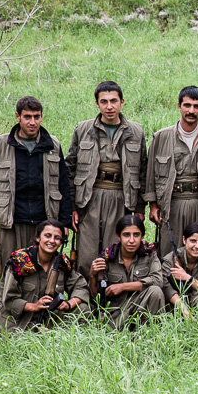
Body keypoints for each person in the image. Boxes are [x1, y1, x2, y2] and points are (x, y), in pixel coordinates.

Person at [0, 96, 73, 272]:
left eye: (36, 117)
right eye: (27, 117)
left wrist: (64, 221)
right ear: (17, 117)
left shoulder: (52, 144)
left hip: (44, 220)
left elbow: (63, 185)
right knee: (10, 270)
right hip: (11, 222)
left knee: (43, 271)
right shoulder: (0, 144)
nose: (32, 122)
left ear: (41, 117)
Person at [65, 81, 148, 278]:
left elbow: (143, 171)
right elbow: (70, 168)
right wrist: (71, 208)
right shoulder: (83, 130)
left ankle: (113, 297)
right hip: (89, 198)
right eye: (104, 102)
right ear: (97, 104)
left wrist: (139, 208)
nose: (109, 106)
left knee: (116, 250)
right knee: (87, 250)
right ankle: (84, 299)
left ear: (122, 102)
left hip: (122, 196)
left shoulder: (136, 131)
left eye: (113, 101)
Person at [145, 86, 198, 256]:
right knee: (170, 251)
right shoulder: (162, 137)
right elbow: (150, 174)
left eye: (197, 106)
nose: (191, 111)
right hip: (172, 203)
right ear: (179, 106)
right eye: (187, 105)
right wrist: (153, 205)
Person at [0, 220, 89, 332]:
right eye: (47, 236)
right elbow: (9, 300)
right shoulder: (19, 261)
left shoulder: (61, 262)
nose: (52, 241)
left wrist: (69, 304)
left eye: (57, 238)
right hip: (18, 318)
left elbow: (80, 286)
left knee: (83, 309)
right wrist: (34, 306)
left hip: (47, 316)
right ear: (38, 238)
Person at [89, 215, 165, 329]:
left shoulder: (149, 254)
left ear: (142, 236)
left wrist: (123, 286)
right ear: (118, 236)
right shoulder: (107, 257)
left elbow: (158, 281)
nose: (131, 240)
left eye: (136, 235)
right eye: (126, 235)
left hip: (141, 309)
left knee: (155, 291)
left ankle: (149, 332)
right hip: (117, 315)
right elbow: (97, 297)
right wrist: (92, 275)